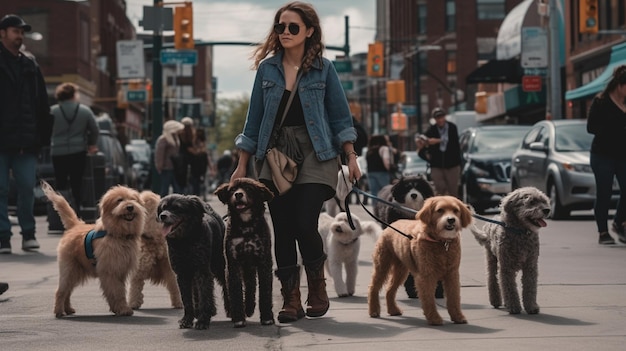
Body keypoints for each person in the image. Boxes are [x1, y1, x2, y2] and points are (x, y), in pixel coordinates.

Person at [230, 1, 361, 323]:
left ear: (309, 32)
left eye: (292, 27)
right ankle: (291, 299)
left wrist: (352, 157)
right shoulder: (267, 69)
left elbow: (340, 116)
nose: (285, 32)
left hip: (317, 150)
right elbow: (254, 120)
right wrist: (242, 164)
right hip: (274, 154)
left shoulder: (324, 69)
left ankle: (317, 286)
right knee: (284, 228)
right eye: (280, 27)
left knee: (305, 221)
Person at [0, 15, 53, 254]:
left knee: (25, 189)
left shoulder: (30, 64)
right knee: (0, 190)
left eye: (22, 32)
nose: (19, 36)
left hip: (26, 141)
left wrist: (43, 138)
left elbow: (42, 103)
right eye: (15, 31)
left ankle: (28, 234)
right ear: (3, 33)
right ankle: (3, 237)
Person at [586, 64, 626, 245]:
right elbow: (591, 127)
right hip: (602, 155)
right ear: (620, 85)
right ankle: (603, 232)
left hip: (623, 155)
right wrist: (615, 130)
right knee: (605, 192)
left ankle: (619, 223)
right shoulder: (601, 101)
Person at [49, 82, 99, 212]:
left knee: (60, 183)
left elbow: (44, 128)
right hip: (78, 151)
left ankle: (61, 211)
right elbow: (94, 129)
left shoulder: (53, 111)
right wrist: (91, 144)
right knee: (77, 182)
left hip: (57, 151)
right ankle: (77, 209)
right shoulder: (84, 111)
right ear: (74, 95)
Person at [416, 107, 461, 198]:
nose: (440, 120)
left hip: (452, 164)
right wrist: (423, 143)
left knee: (453, 190)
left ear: (444, 117)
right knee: (440, 189)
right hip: (437, 165)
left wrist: (437, 141)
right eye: (437, 118)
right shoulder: (432, 129)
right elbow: (423, 145)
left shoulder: (452, 127)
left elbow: (454, 143)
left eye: (441, 117)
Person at [154, 120, 185, 197]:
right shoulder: (163, 139)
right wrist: (160, 166)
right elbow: (159, 153)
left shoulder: (175, 138)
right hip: (166, 168)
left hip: (175, 167)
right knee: (165, 189)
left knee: (177, 189)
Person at [365, 134, 394, 202]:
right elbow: (386, 160)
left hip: (370, 173)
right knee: (385, 192)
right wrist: (390, 169)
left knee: (374, 193)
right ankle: (384, 207)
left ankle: (375, 209)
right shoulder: (384, 148)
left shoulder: (369, 151)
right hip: (382, 173)